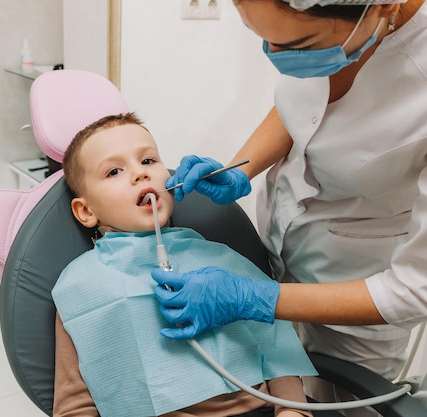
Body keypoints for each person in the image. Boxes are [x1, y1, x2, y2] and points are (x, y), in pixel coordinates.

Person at [151, 0, 427, 412]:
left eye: (301, 46)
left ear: (383, 6)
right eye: (266, 42)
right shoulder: (332, 32)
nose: (278, 62)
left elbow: (419, 290)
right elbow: (304, 106)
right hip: (276, 252)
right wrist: (244, 167)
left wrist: (255, 298)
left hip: (358, 295)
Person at [51, 112, 317, 417]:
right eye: (114, 171)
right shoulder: (81, 287)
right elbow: (75, 406)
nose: (140, 174)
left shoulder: (222, 259)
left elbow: (277, 352)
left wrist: (292, 412)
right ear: (85, 211)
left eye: (148, 161)